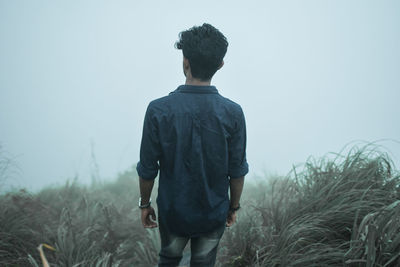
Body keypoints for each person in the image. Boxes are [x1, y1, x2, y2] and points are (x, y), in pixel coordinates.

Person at [136, 23, 248, 267]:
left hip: (173, 211)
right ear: (220, 65)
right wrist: (233, 207)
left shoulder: (158, 110)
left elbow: (147, 168)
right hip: (213, 212)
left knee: (168, 259)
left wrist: (145, 204)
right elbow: (237, 170)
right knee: (203, 262)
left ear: (185, 61)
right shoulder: (233, 113)